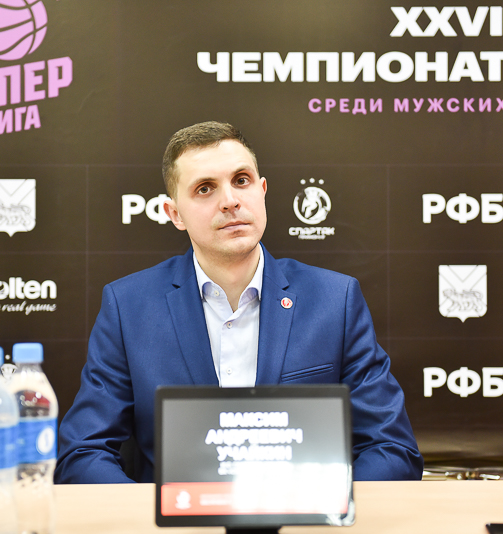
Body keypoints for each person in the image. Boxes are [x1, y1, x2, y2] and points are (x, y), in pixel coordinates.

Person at [55, 121, 423, 483]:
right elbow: (83, 452)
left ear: (262, 191)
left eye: (241, 180)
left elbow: (392, 448)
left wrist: (328, 507)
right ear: (175, 214)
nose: (230, 201)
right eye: (205, 189)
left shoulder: (335, 300)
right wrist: (153, 514)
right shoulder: (128, 307)